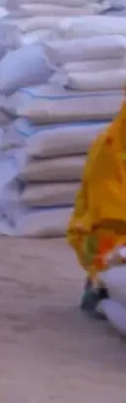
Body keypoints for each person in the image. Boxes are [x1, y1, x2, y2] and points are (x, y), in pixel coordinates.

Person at [68, 106, 126, 316]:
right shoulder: (109, 150)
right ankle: (98, 287)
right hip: (106, 229)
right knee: (108, 249)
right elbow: (108, 208)